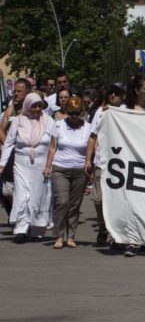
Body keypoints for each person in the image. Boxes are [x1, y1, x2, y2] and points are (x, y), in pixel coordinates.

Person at [0, 93, 55, 242]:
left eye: (39, 106)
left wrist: (50, 165)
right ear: (27, 106)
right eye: (33, 106)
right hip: (21, 164)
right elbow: (9, 143)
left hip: (41, 165)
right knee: (21, 195)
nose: (37, 109)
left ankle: (37, 229)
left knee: (38, 196)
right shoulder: (19, 121)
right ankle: (21, 229)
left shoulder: (49, 121)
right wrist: (2, 164)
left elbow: (53, 145)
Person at [44, 96, 90, 250]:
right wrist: (47, 166)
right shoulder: (58, 125)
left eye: (77, 113)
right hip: (60, 168)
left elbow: (92, 148)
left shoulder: (88, 127)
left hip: (79, 169)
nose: (74, 117)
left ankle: (71, 236)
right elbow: (52, 147)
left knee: (74, 205)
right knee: (62, 202)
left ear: (82, 112)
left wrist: (89, 163)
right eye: (71, 113)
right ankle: (58, 235)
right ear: (66, 112)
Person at [86, 82, 126, 245]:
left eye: (116, 93)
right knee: (98, 199)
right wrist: (88, 159)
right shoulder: (100, 112)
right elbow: (92, 136)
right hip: (101, 162)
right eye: (110, 93)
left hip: (119, 164)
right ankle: (103, 227)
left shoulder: (127, 111)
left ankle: (113, 233)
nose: (113, 96)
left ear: (123, 95)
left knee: (116, 200)